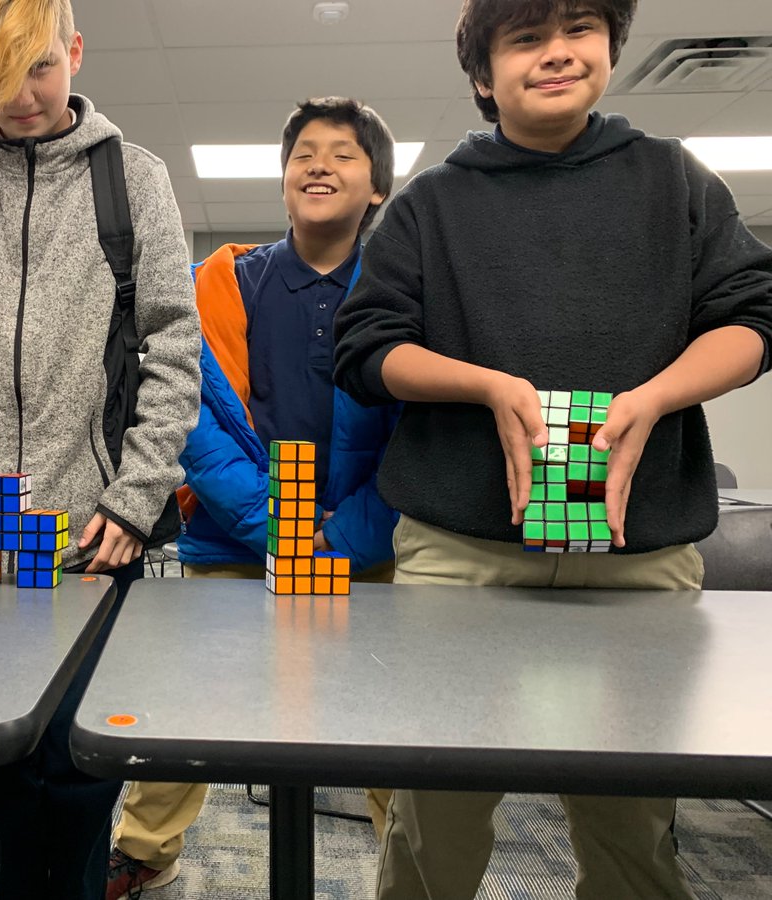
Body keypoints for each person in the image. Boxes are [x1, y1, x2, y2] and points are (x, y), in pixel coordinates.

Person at [332, 0, 772, 897]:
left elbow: (753, 319)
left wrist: (655, 400)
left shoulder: (674, 178)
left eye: (578, 28)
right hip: (461, 557)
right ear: (484, 75)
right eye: (526, 37)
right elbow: (366, 346)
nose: (557, 53)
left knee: (633, 829)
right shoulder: (432, 201)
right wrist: (488, 385)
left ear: (612, 45)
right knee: (434, 825)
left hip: (637, 557)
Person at [0, 0, 201, 896]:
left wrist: (134, 500)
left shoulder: (135, 179)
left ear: (77, 51)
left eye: (40, 68)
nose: (20, 95)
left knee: (85, 767)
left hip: (96, 538)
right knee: (5, 775)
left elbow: (173, 354)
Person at [106, 97, 401, 899]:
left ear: (377, 188)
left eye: (343, 154)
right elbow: (187, 419)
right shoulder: (220, 283)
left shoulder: (402, 294)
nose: (318, 165)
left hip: (365, 552)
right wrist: (275, 526)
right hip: (235, 547)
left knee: (387, 729)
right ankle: (143, 854)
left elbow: (417, 437)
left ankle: (406, 873)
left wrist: (340, 540)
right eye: (304, 152)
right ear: (282, 179)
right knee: (187, 713)